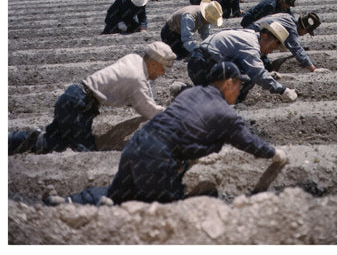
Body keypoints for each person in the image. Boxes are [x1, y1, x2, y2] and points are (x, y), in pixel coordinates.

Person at [43, 62, 288, 207]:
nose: (240, 89)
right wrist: (275, 153)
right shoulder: (226, 113)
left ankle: (68, 203)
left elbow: (185, 125)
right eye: (239, 84)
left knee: (116, 194)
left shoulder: (191, 94)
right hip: (157, 158)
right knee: (165, 208)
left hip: (137, 146)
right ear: (227, 83)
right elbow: (248, 142)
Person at [8, 42, 176, 155]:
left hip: (74, 98)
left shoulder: (133, 58)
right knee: (85, 152)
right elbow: (148, 109)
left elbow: (135, 89)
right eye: (162, 69)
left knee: (56, 142)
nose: (162, 74)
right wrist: (173, 114)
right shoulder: (137, 79)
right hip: (79, 107)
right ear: (153, 64)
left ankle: (16, 140)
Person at [187, 22, 298, 103]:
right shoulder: (251, 45)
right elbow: (257, 74)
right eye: (272, 47)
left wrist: (268, 75)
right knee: (244, 82)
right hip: (202, 65)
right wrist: (283, 90)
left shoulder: (249, 34)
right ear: (264, 37)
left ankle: (188, 92)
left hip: (200, 63)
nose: (270, 52)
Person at [247, 12, 329, 73]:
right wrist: (313, 69)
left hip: (253, 31)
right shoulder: (291, 29)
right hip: (255, 36)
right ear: (304, 28)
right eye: (306, 32)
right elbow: (297, 50)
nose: (304, 35)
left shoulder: (288, 17)